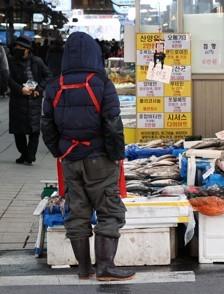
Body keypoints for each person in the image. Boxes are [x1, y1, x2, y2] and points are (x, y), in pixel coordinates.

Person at [41, 32, 134, 281]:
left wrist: (58, 151)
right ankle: (105, 267)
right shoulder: (102, 83)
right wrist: (117, 154)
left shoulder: (54, 85)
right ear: (94, 53)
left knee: (77, 212)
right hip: (100, 158)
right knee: (110, 211)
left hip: (70, 158)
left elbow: (46, 124)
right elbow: (113, 122)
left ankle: (84, 269)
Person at [8, 35, 51, 165]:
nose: (18, 49)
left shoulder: (37, 61)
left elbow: (48, 75)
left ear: (28, 49)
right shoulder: (11, 61)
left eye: (21, 47)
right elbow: (8, 79)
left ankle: (31, 155)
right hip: (18, 99)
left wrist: (39, 88)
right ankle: (24, 153)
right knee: (18, 130)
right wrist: (20, 89)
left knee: (34, 130)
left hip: (34, 99)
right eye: (17, 46)